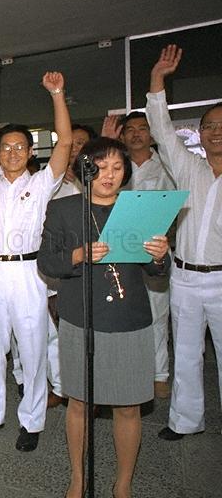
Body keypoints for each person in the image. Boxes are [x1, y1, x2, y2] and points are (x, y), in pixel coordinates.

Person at [38, 137, 170, 498]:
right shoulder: (65, 209)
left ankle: (123, 483)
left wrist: (159, 255)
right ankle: (78, 479)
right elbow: (46, 262)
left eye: (117, 167)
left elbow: (158, 272)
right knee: (79, 402)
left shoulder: (138, 209)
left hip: (129, 317)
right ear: (85, 170)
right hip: (81, 317)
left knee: (128, 406)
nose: (109, 175)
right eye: (100, 167)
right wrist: (78, 255)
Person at [0, 73, 71, 452]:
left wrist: (57, 95)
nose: (11, 152)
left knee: (32, 347)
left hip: (30, 272)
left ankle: (32, 420)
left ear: (30, 152)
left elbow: (63, 145)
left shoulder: (42, 183)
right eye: (5, 147)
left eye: (19, 147)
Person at [146, 45, 222, 441]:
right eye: (208, 125)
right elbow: (160, 129)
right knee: (187, 355)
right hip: (185, 277)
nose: (215, 132)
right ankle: (185, 420)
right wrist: (158, 79)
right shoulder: (188, 166)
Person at [102, 111, 176, 400]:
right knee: (119, 313)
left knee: (158, 313)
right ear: (121, 136)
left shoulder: (166, 165)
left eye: (142, 129)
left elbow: (176, 207)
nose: (135, 134)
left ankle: (159, 375)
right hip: (118, 250)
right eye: (129, 129)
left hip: (153, 250)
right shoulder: (114, 166)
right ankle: (119, 373)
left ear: (151, 133)